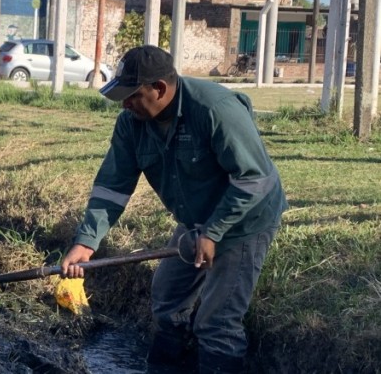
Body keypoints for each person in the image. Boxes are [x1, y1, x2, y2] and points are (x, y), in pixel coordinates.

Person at [60, 45, 287, 374]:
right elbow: (112, 185)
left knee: (217, 321)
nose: (124, 104)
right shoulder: (132, 124)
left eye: (131, 95)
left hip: (245, 222)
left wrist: (213, 232)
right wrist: (86, 242)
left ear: (160, 89)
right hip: (196, 220)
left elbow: (254, 179)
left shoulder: (215, 109)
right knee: (167, 298)